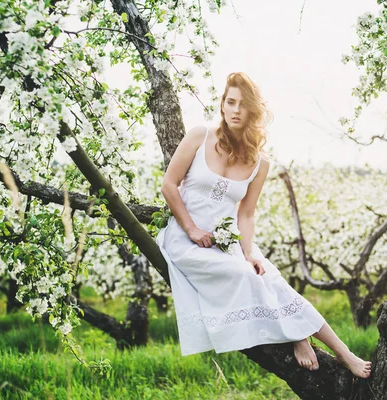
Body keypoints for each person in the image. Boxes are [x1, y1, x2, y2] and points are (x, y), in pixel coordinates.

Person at [156, 72, 372, 378]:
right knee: (247, 276)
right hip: (185, 240)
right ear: (222, 104)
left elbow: (246, 214)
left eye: (242, 105)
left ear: (252, 112)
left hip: (228, 241)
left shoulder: (260, 162)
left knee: (273, 280)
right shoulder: (199, 136)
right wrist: (191, 228)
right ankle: (296, 335)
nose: (234, 110)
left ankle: (344, 354)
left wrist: (248, 252)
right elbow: (169, 185)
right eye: (230, 102)